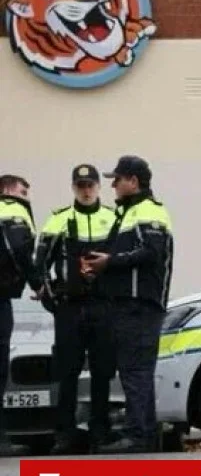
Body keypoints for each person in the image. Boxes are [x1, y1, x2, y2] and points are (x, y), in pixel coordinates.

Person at [81, 155, 174, 453]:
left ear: (133, 181)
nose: (112, 185)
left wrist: (110, 262)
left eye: (117, 179)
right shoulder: (129, 213)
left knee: (135, 371)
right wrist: (96, 266)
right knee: (135, 370)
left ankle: (138, 434)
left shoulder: (149, 211)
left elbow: (151, 252)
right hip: (128, 304)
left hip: (140, 304)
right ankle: (143, 433)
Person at [34, 164, 118, 454]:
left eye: (90, 185)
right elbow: (41, 262)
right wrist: (51, 299)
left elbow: (123, 262)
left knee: (102, 370)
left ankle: (100, 431)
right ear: (73, 187)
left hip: (103, 306)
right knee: (67, 372)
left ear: (98, 187)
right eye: (80, 185)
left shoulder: (113, 218)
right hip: (70, 308)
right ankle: (65, 433)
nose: (85, 190)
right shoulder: (59, 219)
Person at [0, 174, 41, 457]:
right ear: (6, 190)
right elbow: (19, 250)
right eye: (22, 190)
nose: (26, 195)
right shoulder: (12, 209)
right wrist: (37, 282)